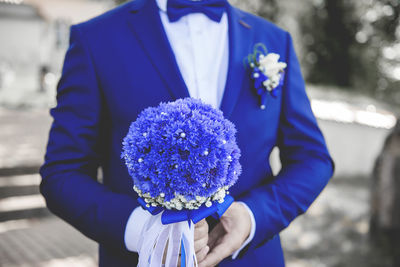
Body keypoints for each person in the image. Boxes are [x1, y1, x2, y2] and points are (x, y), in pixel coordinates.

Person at [39, 0, 334, 266]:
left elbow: (313, 158)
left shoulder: (273, 40)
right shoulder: (96, 38)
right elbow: (62, 173)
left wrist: (254, 216)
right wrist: (143, 231)